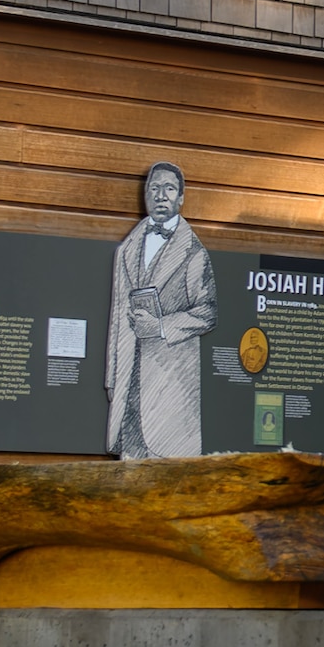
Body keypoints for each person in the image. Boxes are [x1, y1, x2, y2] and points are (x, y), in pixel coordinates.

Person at [106, 162, 213, 461]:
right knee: (128, 479)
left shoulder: (194, 252)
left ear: (181, 197)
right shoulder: (127, 249)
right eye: (154, 188)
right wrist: (112, 379)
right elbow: (117, 318)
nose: (160, 195)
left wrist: (161, 326)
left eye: (169, 188)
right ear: (145, 195)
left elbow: (207, 313)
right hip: (130, 387)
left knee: (169, 481)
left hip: (168, 387)